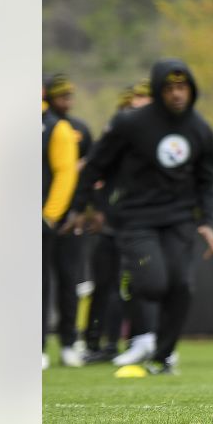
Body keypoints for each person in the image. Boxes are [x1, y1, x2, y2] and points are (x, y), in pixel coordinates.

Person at [72, 59, 213, 374]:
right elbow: (96, 164)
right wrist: (82, 206)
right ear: (158, 90)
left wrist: (207, 222)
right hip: (137, 217)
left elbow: (207, 181)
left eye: (183, 87)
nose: (177, 94)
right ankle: (137, 323)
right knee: (154, 283)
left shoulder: (200, 129)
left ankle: (163, 356)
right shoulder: (130, 124)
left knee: (181, 285)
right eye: (170, 88)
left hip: (179, 218)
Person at [82, 80, 156, 365]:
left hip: (139, 223)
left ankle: (138, 341)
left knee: (135, 286)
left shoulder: (154, 137)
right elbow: (96, 173)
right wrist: (95, 209)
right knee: (106, 286)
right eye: (130, 103)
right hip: (112, 223)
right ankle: (101, 342)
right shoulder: (114, 135)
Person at [42, 81, 81, 369]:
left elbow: (67, 174)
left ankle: (68, 342)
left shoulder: (59, 128)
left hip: (59, 222)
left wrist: (50, 215)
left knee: (66, 279)